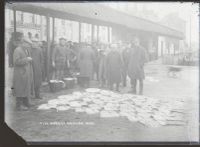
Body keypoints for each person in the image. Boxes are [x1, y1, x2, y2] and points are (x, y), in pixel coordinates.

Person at [13, 37, 35, 111]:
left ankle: (26, 102)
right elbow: (16, 62)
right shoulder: (17, 50)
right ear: (23, 43)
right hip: (20, 73)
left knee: (26, 87)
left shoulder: (26, 49)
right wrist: (27, 59)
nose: (29, 45)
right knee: (20, 88)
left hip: (25, 72)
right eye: (28, 44)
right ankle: (19, 105)